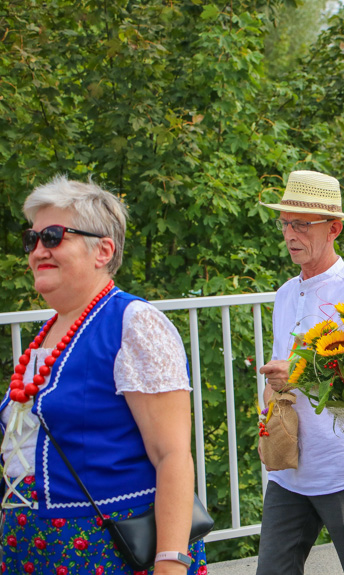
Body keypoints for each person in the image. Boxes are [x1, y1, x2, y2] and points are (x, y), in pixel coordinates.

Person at [1, 176, 205, 574]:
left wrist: (170, 563)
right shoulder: (49, 333)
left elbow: (173, 455)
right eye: (33, 240)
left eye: (54, 237)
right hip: (32, 550)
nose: (39, 250)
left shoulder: (134, 323)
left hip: (104, 551)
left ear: (103, 250)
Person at [256, 170, 344, 575]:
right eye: (285, 223)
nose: (290, 234)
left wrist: (299, 374)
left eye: (301, 224)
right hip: (291, 467)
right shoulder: (283, 293)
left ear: (333, 229)